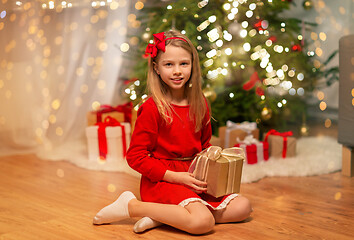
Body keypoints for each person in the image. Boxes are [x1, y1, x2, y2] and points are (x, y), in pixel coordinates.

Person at [92, 30, 252, 235]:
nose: (177, 71)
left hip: (194, 176)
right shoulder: (152, 107)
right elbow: (135, 157)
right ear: (156, 68)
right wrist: (176, 177)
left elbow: (204, 146)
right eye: (169, 64)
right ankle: (133, 206)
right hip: (163, 180)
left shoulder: (200, 102)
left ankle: (166, 217)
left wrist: (217, 158)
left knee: (243, 207)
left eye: (183, 64)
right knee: (203, 222)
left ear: (193, 66)